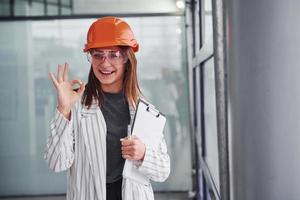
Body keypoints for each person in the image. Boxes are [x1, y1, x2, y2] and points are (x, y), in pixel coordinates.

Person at [44, 16, 170, 200]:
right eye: (98, 55)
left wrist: (143, 154)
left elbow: (163, 170)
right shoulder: (76, 105)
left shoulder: (145, 111)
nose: (105, 63)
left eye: (114, 54)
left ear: (127, 58)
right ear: (91, 57)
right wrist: (64, 110)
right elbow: (56, 163)